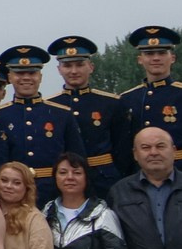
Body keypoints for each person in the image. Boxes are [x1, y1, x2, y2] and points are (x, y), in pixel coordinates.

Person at [116, 26, 182, 179]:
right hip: (140, 178)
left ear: (172, 58)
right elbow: (124, 150)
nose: (156, 58)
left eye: (162, 53)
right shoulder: (127, 99)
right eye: (149, 54)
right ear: (140, 60)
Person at [0, 46, 86, 205]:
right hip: (12, 195)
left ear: (40, 76)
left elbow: (76, 159)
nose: (26, 78)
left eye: (31, 73)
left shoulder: (61, 114)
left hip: (54, 193)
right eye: (19, 73)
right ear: (9, 77)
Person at [47, 36, 125, 195]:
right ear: (59, 69)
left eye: (80, 65)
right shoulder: (49, 106)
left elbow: (122, 148)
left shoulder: (111, 103)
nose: (74, 71)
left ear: (91, 67)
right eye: (67, 65)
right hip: (65, 182)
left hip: (104, 179)